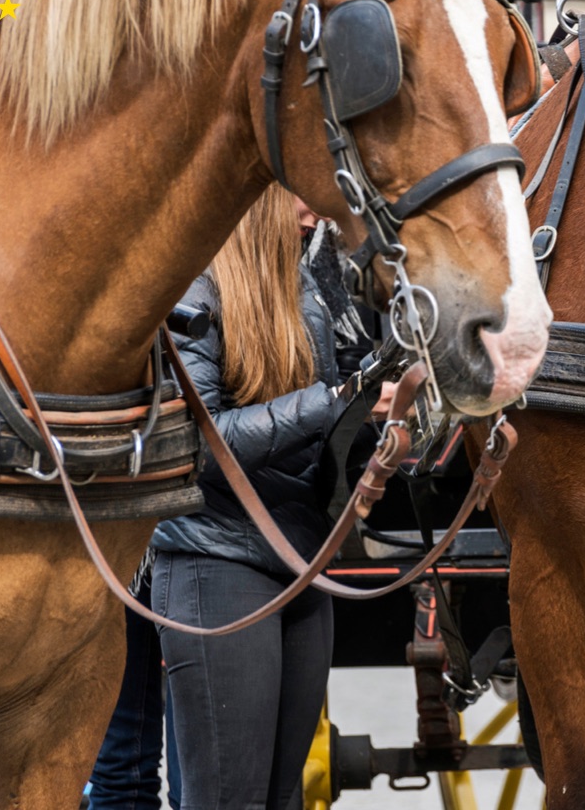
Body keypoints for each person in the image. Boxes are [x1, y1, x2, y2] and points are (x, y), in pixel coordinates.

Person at [147, 185, 365, 810]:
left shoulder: (307, 293)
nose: (316, 210)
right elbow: (200, 442)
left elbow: (318, 435)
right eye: (299, 191)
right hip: (215, 559)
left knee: (283, 801)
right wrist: (333, 402)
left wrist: (381, 432)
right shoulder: (193, 289)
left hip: (301, 563)